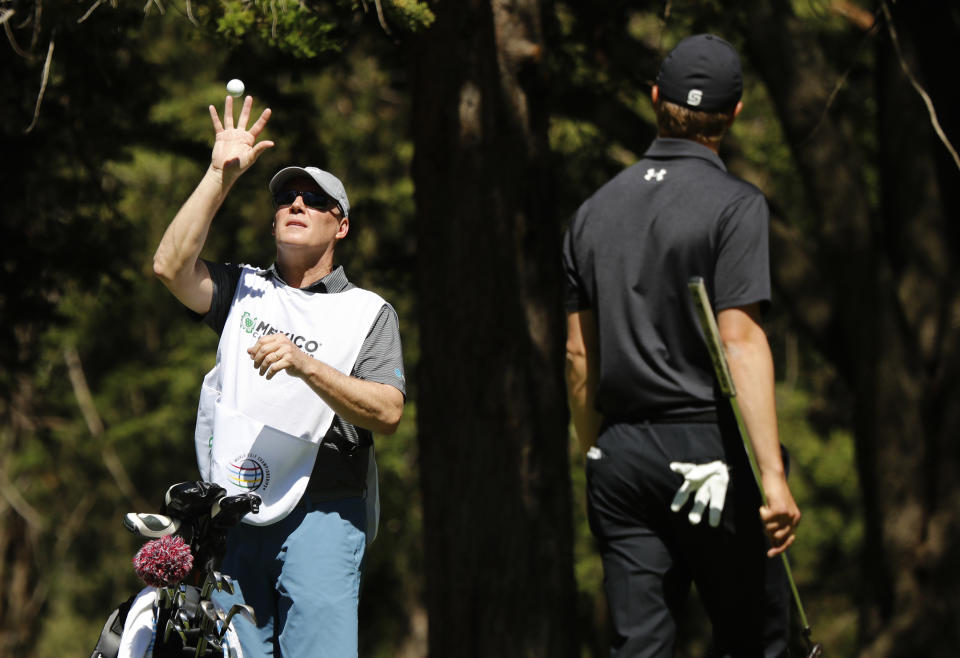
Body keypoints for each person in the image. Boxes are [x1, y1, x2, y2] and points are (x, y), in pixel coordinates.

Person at [562, 34, 801, 657]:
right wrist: (773, 477)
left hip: (621, 454)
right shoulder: (736, 205)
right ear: (736, 113)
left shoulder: (591, 213)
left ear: (656, 99)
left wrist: (596, 449)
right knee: (756, 639)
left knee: (639, 647)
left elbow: (578, 355)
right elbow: (741, 342)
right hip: (710, 449)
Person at [152, 94, 406, 657]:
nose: (297, 204)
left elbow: (387, 411)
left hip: (325, 511)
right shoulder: (242, 288)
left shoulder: (368, 311)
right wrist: (219, 174)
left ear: (341, 226)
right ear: (273, 220)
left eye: (314, 201)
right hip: (236, 515)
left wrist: (307, 364)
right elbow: (169, 267)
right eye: (287, 198)